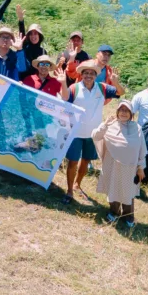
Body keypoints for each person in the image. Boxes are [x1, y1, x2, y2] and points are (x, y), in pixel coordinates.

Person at [64, 61, 115, 204]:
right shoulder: (74, 88)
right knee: (73, 161)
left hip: (93, 134)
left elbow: (120, 93)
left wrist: (116, 82)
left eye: (92, 73)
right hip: (76, 132)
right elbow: (63, 101)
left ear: (95, 76)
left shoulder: (102, 88)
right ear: (81, 74)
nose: (88, 75)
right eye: (86, 73)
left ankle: (77, 184)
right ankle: (69, 191)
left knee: (86, 160)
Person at [92, 100, 147, 227]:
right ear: (117, 112)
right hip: (112, 164)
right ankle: (114, 212)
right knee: (113, 188)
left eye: (126, 110)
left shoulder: (137, 128)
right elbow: (95, 136)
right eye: (121, 110)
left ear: (131, 113)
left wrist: (141, 167)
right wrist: (104, 125)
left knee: (128, 192)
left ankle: (128, 216)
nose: (123, 113)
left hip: (130, 167)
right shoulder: (110, 125)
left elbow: (142, 150)